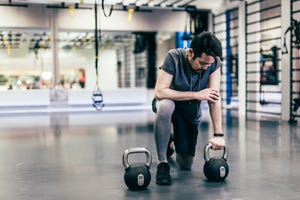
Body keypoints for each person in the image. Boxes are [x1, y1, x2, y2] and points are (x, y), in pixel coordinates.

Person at [152, 31, 226, 185]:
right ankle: (162, 163)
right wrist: (196, 95)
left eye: (209, 64)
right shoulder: (174, 57)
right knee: (165, 106)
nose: (206, 68)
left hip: (189, 111)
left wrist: (218, 134)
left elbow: (214, 98)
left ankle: (170, 143)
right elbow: (160, 91)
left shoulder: (214, 63)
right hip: (168, 101)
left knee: (185, 164)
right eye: (202, 63)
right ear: (191, 53)